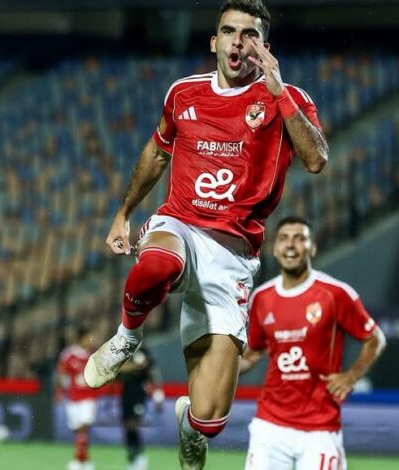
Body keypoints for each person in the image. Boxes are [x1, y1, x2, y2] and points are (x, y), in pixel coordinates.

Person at [82, 1, 328, 468]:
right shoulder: (183, 93)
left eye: (249, 34)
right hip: (180, 225)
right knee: (158, 263)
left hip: (233, 256)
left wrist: (278, 90)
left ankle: (190, 429)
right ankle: (126, 339)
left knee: (211, 418)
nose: (238, 41)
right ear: (214, 42)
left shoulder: (286, 98)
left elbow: (316, 159)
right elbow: (157, 153)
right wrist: (124, 213)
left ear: (264, 47)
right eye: (229, 31)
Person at [240, 216, 386, 470]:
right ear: (274, 248)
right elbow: (252, 354)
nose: (290, 245)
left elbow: (375, 339)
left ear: (313, 247)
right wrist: (219, 371)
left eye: (299, 239)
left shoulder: (335, 293)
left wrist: (351, 376)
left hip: (320, 428)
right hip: (270, 424)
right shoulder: (261, 297)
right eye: (284, 239)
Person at [56, 326, 99, 470]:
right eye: (89, 337)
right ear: (81, 338)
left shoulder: (94, 354)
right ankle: (84, 461)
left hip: (89, 397)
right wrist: (60, 391)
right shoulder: (69, 354)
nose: (91, 340)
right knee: (77, 431)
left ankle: (78, 460)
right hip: (73, 397)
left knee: (83, 428)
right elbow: (62, 373)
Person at [118, 346, 165, 470]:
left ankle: (139, 456)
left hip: (139, 393)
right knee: (126, 426)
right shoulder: (125, 352)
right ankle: (132, 456)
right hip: (126, 392)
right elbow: (119, 368)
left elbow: (151, 371)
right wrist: (135, 366)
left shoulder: (144, 352)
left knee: (133, 425)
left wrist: (158, 393)